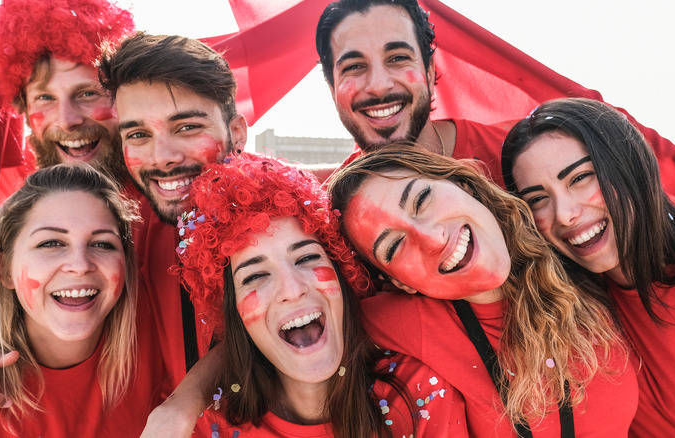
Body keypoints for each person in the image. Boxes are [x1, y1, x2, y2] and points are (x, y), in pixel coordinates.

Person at [327, 145, 638, 436]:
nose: (434, 238)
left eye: (422, 200)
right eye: (394, 246)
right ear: (399, 282)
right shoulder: (408, 321)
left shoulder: (576, 250)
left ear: (465, 183)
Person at [173, 152, 467, 436]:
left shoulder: (420, 393)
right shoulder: (200, 425)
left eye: (306, 258)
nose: (292, 290)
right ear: (234, 311)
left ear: (343, 275)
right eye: (256, 276)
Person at [501, 97, 675, 436]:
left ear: (628, 166)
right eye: (538, 199)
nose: (563, 214)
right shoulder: (559, 309)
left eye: (581, 177)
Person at [98, 31, 248, 402]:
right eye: (138, 134)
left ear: (236, 133)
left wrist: (185, 404)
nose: (161, 156)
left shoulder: (297, 225)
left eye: (187, 127)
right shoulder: (126, 233)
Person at [0, 163, 168, 437]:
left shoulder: (162, 334)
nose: (80, 265)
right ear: (4, 269)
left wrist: (188, 401)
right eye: (51, 243)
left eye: (102, 244)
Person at [314, 0, 508, 183]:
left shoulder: (513, 156)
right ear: (332, 90)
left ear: (430, 72)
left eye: (398, 58)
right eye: (354, 66)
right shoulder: (327, 208)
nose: (379, 85)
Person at [0, 0, 133, 182]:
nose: (66, 121)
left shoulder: (165, 182)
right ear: (23, 106)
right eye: (45, 97)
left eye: (88, 94)